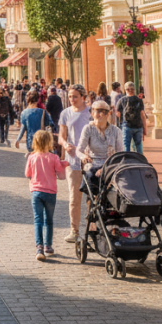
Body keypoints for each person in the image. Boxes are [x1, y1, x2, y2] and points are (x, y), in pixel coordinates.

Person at [25, 129, 69, 261]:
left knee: (38, 219)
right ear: (49, 142)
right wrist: (63, 164)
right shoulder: (54, 157)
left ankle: (39, 247)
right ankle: (48, 246)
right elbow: (61, 176)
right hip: (50, 192)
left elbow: (27, 174)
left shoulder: (32, 157)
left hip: (36, 192)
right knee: (48, 220)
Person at [58, 85, 91, 242]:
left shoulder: (91, 113)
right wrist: (65, 145)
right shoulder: (65, 113)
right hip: (73, 160)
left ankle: (93, 229)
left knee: (93, 197)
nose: (72, 99)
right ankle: (74, 230)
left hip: (90, 160)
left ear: (83, 97)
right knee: (74, 197)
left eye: (75, 96)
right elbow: (61, 137)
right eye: (70, 96)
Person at [77, 100, 124, 191]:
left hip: (110, 164)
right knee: (91, 177)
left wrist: (105, 169)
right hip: (93, 164)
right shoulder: (88, 129)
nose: (97, 114)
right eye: (94, 111)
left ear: (108, 114)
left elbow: (119, 155)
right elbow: (79, 150)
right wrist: (84, 156)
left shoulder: (116, 131)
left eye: (101, 112)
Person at [117, 82, 147, 154]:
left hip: (127, 126)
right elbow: (142, 114)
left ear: (125, 90)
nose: (130, 90)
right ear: (134, 90)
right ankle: (141, 161)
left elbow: (118, 114)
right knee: (138, 145)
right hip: (138, 126)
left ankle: (127, 161)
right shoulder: (139, 100)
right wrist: (144, 128)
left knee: (126, 146)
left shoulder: (121, 100)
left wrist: (119, 125)